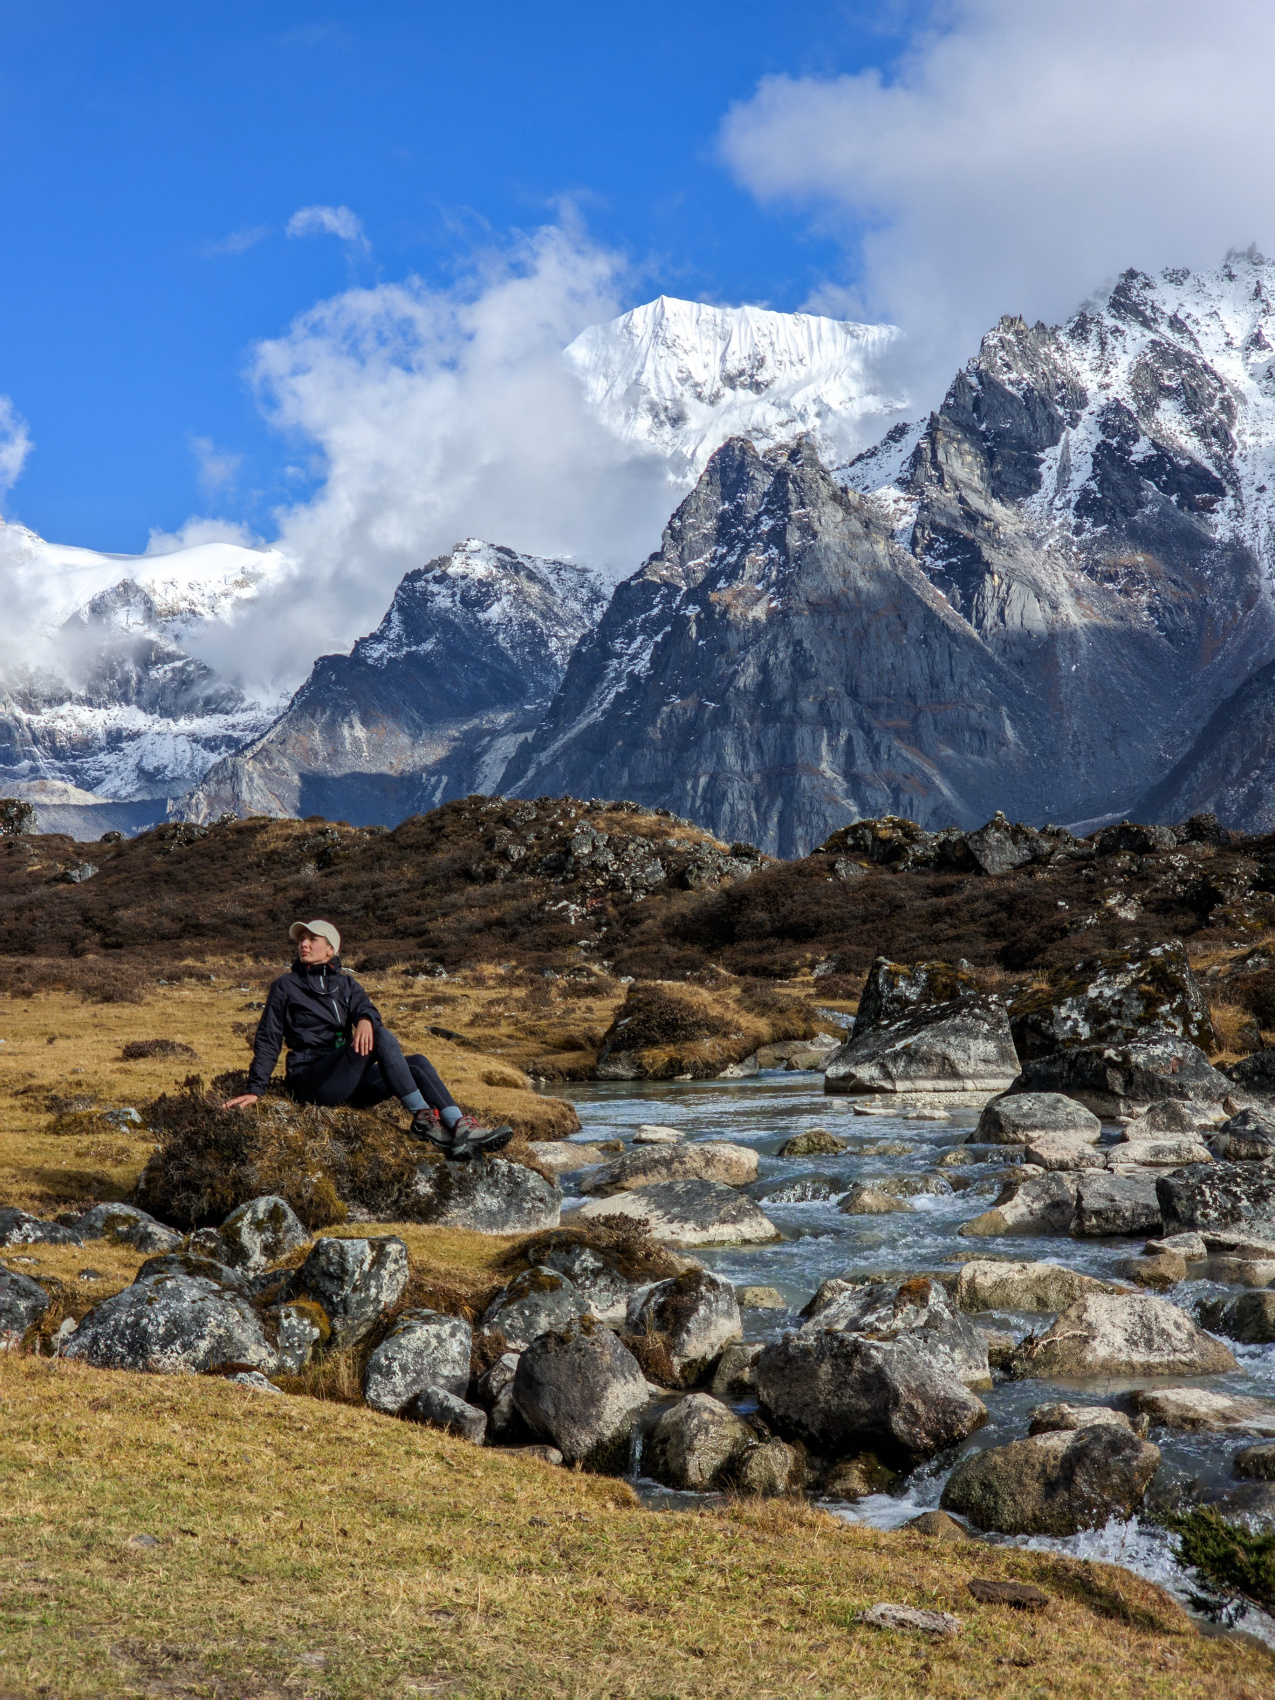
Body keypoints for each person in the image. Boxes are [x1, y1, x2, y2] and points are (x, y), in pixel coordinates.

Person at [222, 919, 511, 1160]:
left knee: (417, 1063)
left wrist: (363, 1020)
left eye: (312, 939)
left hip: (349, 1081)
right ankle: (424, 1119)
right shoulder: (286, 986)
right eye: (302, 940)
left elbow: (367, 1009)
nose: (304, 944)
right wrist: (256, 1089)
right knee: (380, 1036)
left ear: (331, 949)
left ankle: (459, 1126)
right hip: (311, 1080)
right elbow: (269, 1038)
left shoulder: (347, 984)